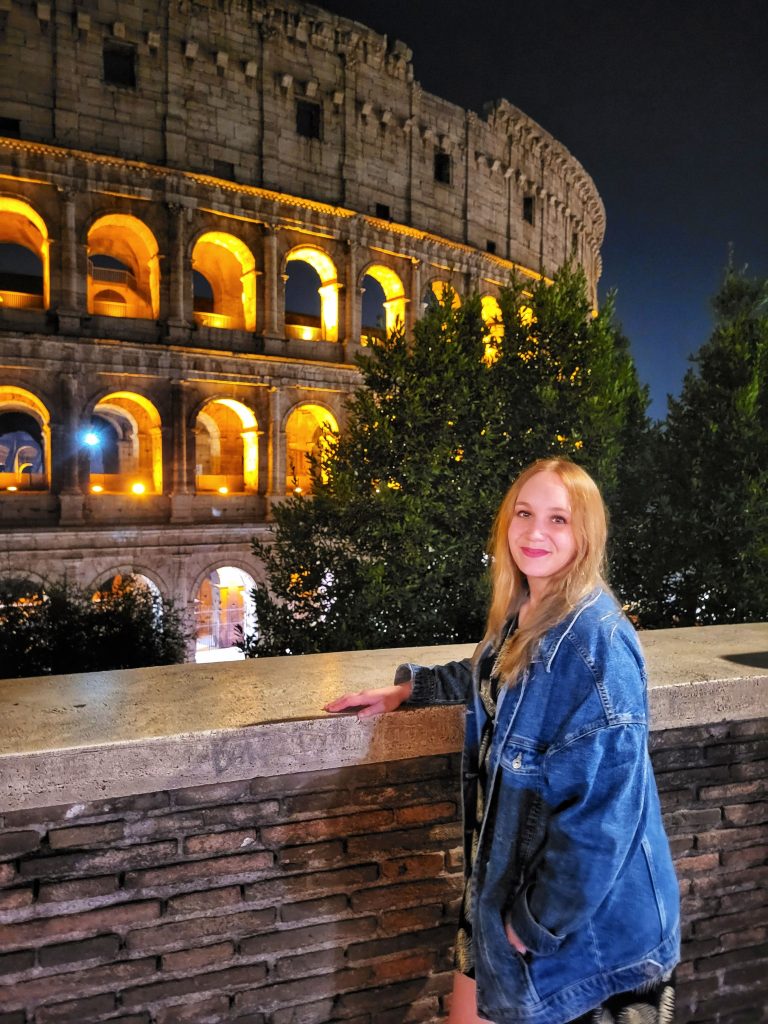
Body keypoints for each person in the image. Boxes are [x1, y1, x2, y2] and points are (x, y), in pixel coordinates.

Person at [324, 458, 680, 1024]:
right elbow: (489, 677)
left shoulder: (596, 643)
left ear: (585, 534)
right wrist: (405, 692)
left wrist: (533, 924)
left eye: (558, 519)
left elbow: (603, 819)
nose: (535, 531)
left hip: (573, 935)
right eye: (525, 513)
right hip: (502, 892)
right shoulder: (530, 610)